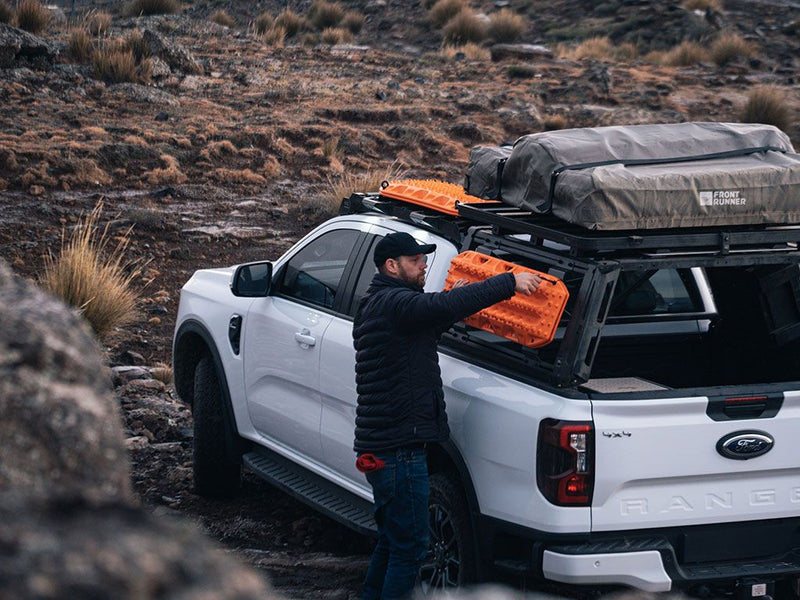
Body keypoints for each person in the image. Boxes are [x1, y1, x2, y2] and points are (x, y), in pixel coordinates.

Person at [352, 231, 541, 600]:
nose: (424, 265)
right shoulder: (395, 304)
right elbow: (441, 307)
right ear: (392, 266)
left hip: (384, 448)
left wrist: (472, 297)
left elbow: (441, 314)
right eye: (415, 260)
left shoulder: (380, 305)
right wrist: (509, 282)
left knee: (393, 542)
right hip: (398, 450)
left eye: (423, 258)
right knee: (410, 548)